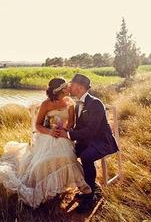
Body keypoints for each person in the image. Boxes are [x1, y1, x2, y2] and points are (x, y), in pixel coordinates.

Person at [0, 78, 92, 208]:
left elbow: (71, 123)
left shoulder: (70, 102)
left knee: (68, 157)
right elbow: (37, 125)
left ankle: (84, 189)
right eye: (66, 87)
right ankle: (46, 188)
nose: (69, 88)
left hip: (63, 135)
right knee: (43, 161)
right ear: (60, 90)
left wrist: (65, 129)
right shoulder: (46, 104)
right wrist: (50, 132)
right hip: (46, 134)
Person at [56, 73, 119, 213]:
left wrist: (68, 134)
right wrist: (65, 130)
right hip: (87, 140)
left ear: (79, 87)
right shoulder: (78, 103)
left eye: (71, 85)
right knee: (68, 152)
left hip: (103, 141)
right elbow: (80, 127)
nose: (69, 87)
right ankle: (87, 186)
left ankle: (90, 196)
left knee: (86, 157)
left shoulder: (95, 103)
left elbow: (91, 130)